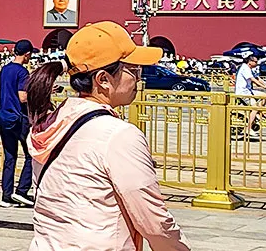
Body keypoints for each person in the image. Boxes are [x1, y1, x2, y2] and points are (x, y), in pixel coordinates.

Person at [26, 21, 190, 250]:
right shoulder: (118, 135)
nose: (139, 78)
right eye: (133, 70)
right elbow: (152, 220)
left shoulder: (49, 124)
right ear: (103, 79)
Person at [0, 40, 35, 208]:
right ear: (27, 54)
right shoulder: (22, 72)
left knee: (10, 157)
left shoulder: (4, 70)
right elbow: (22, 97)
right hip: (19, 119)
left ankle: (6, 196)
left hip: (4, 117)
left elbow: (1, 90)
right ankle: (22, 191)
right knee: (31, 155)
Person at [236, 55, 266, 139]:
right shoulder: (245, 68)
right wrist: (263, 87)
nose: (257, 63)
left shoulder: (250, 69)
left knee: (265, 96)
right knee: (255, 108)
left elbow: (257, 78)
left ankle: (257, 115)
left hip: (249, 91)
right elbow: (253, 80)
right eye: (255, 62)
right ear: (250, 62)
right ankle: (248, 129)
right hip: (243, 92)